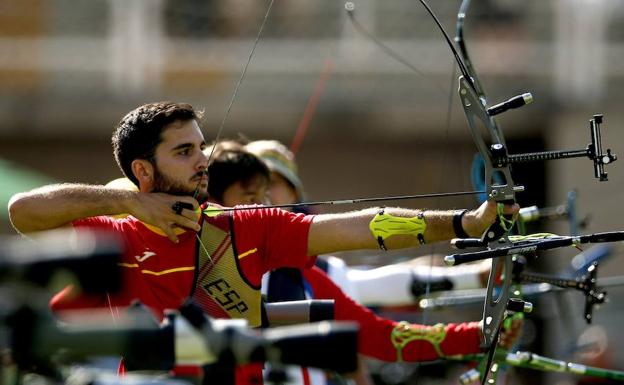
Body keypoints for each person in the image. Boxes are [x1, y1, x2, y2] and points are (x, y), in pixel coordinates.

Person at [7, 101, 518, 384]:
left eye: (201, 148)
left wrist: (463, 224)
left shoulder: (244, 228)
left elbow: (357, 227)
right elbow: (22, 212)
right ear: (144, 170)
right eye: (184, 152)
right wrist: (127, 204)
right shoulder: (116, 231)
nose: (201, 161)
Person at [206, 142, 498, 385]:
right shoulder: (194, 268)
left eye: (269, 189)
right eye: (249, 195)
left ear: (295, 195)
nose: (261, 205)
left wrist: (479, 333)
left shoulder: (309, 274)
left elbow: (380, 335)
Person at [245, 140, 491, 306]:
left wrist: (476, 275)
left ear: (294, 196)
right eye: (254, 182)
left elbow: (376, 283)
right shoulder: (221, 251)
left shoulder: (321, 272)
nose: (263, 192)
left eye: (274, 182)